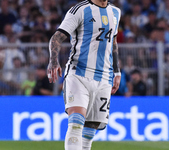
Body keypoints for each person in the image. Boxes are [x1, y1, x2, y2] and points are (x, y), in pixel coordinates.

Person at [47, 0, 121, 150]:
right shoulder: (79, 10)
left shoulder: (116, 12)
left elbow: (113, 41)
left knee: (89, 133)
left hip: (104, 77)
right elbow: (56, 37)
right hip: (79, 73)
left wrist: (117, 71)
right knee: (76, 124)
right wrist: (53, 61)